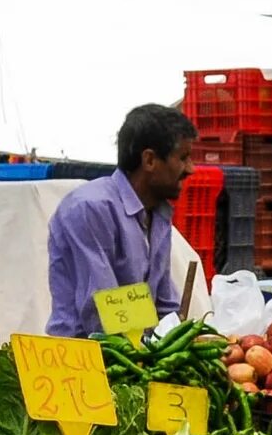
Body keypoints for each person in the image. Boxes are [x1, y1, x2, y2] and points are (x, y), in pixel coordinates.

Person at [44, 104, 197, 336]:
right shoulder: (90, 207)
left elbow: (165, 305)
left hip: (136, 353)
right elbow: (102, 308)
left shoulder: (159, 213)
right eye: (183, 158)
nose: (191, 169)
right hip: (85, 356)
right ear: (149, 160)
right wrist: (147, 359)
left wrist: (182, 338)